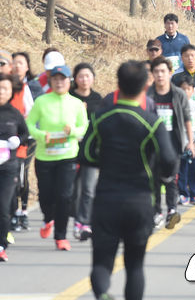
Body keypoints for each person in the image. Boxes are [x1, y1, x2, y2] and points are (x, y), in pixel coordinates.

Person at [79, 61, 178, 300]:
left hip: (106, 199)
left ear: (118, 84)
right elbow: (169, 159)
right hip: (140, 201)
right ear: (145, 86)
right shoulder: (152, 122)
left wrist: (106, 160)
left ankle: (103, 294)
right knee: (134, 265)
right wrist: (162, 175)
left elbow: (86, 154)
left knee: (102, 262)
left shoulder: (100, 117)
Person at [26, 64, 88, 251]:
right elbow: (29, 124)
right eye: (55, 79)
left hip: (68, 155)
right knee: (46, 195)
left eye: (63, 79)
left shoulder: (76, 103)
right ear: (51, 81)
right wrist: (40, 135)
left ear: (69, 81)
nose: (59, 82)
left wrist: (73, 131)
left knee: (65, 196)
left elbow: (84, 127)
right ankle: (48, 219)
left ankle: (60, 237)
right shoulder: (42, 101)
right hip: (45, 156)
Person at [147, 57, 194, 228]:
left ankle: (172, 211)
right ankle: (157, 212)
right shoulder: (147, 95)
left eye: (163, 71)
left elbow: (187, 118)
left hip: (173, 143)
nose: (160, 75)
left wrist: (190, 141)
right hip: (152, 144)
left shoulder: (178, 94)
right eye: (156, 72)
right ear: (152, 74)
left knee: (171, 178)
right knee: (154, 179)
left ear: (170, 73)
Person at [70, 63, 102, 241]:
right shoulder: (69, 97)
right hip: (71, 148)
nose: (84, 79)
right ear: (75, 79)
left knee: (89, 189)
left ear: (93, 79)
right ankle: (76, 217)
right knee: (72, 190)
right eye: (81, 76)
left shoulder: (98, 99)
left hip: (90, 150)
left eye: (88, 76)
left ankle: (83, 222)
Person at [0, 73, 29, 262]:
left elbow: (26, 134)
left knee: (3, 207)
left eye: (5, 89)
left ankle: (1, 245)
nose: (1, 92)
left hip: (8, 168)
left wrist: (17, 140)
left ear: (11, 92)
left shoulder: (14, 113)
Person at [9, 52, 35, 231]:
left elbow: (30, 112)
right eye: (14, 62)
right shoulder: (5, 85)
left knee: (21, 177)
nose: (17, 66)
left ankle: (21, 212)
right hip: (5, 140)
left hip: (23, 139)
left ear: (27, 66)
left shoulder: (27, 87)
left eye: (21, 63)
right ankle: (12, 213)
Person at [176, 75, 195, 205]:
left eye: (188, 89)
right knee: (181, 171)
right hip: (181, 144)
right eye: (183, 89)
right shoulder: (175, 106)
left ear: (193, 91)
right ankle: (183, 194)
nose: (186, 92)